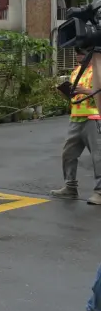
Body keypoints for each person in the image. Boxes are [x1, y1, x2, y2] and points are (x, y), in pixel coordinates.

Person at [51, 47, 101, 205]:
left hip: (94, 117)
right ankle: (70, 187)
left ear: (91, 54)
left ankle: (99, 192)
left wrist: (85, 90)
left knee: (98, 157)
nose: (78, 55)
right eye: (76, 52)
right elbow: (74, 96)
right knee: (68, 154)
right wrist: (66, 92)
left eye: (81, 52)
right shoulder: (76, 71)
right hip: (76, 117)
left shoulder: (98, 70)